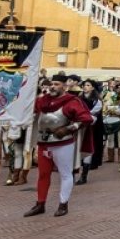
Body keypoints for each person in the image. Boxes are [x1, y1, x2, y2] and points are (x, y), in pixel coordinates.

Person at [25, 77, 94, 217]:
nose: (52, 86)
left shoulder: (71, 102)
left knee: (65, 174)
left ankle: (63, 204)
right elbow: (27, 110)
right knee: (43, 174)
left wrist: (69, 129)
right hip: (43, 142)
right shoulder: (42, 101)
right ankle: (40, 204)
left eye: (56, 84)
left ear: (65, 87)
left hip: (62, 143)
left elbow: (86, 118)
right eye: (51, 84)